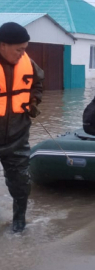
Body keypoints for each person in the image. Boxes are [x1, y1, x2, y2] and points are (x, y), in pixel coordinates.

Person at [0, 22, 44, 232]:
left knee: (21, 183)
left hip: (17, 135)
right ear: (2, 45)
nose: (22, 53)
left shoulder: (28, 64)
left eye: (24, 49)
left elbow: (37, 84)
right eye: (19, 49)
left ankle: (19, 223)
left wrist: (34, 101)